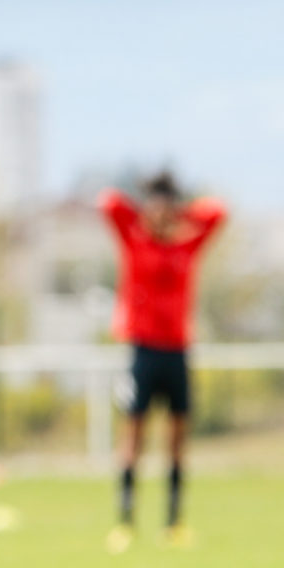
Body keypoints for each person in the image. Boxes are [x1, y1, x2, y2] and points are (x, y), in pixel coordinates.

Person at [96, 171, 225, 541]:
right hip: (142, 350)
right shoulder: (135, 242)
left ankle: (173, 523)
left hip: (178, 351)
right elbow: (108, 201)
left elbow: (218, 212)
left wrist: (179, 214)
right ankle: (125, 523)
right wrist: (147, 212)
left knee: (177, 440)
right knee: (133, 437)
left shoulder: (187, 247)